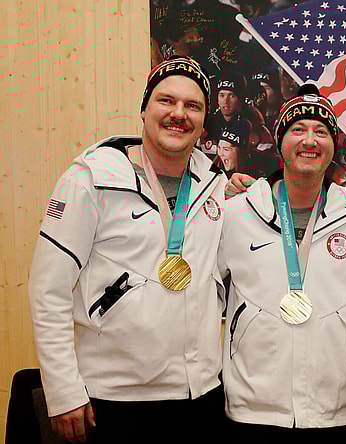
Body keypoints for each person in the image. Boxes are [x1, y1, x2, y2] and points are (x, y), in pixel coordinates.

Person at [28, 56, 227, 443]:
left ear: (204, 122)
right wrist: (64, 389)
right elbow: (47, 289)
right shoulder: (90, 180)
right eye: (166, 101)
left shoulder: (214, 186)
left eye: (193, 106)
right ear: (144, 109)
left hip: (199, 395)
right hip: (114, 400)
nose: (178, 114)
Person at [219, 84, 346, 442]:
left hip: (333, 409)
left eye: (321, 131)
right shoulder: (238, 212)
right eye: (298, 130)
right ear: (279, 143)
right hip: (252, 408)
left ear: (334, 146)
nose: (310, 140)